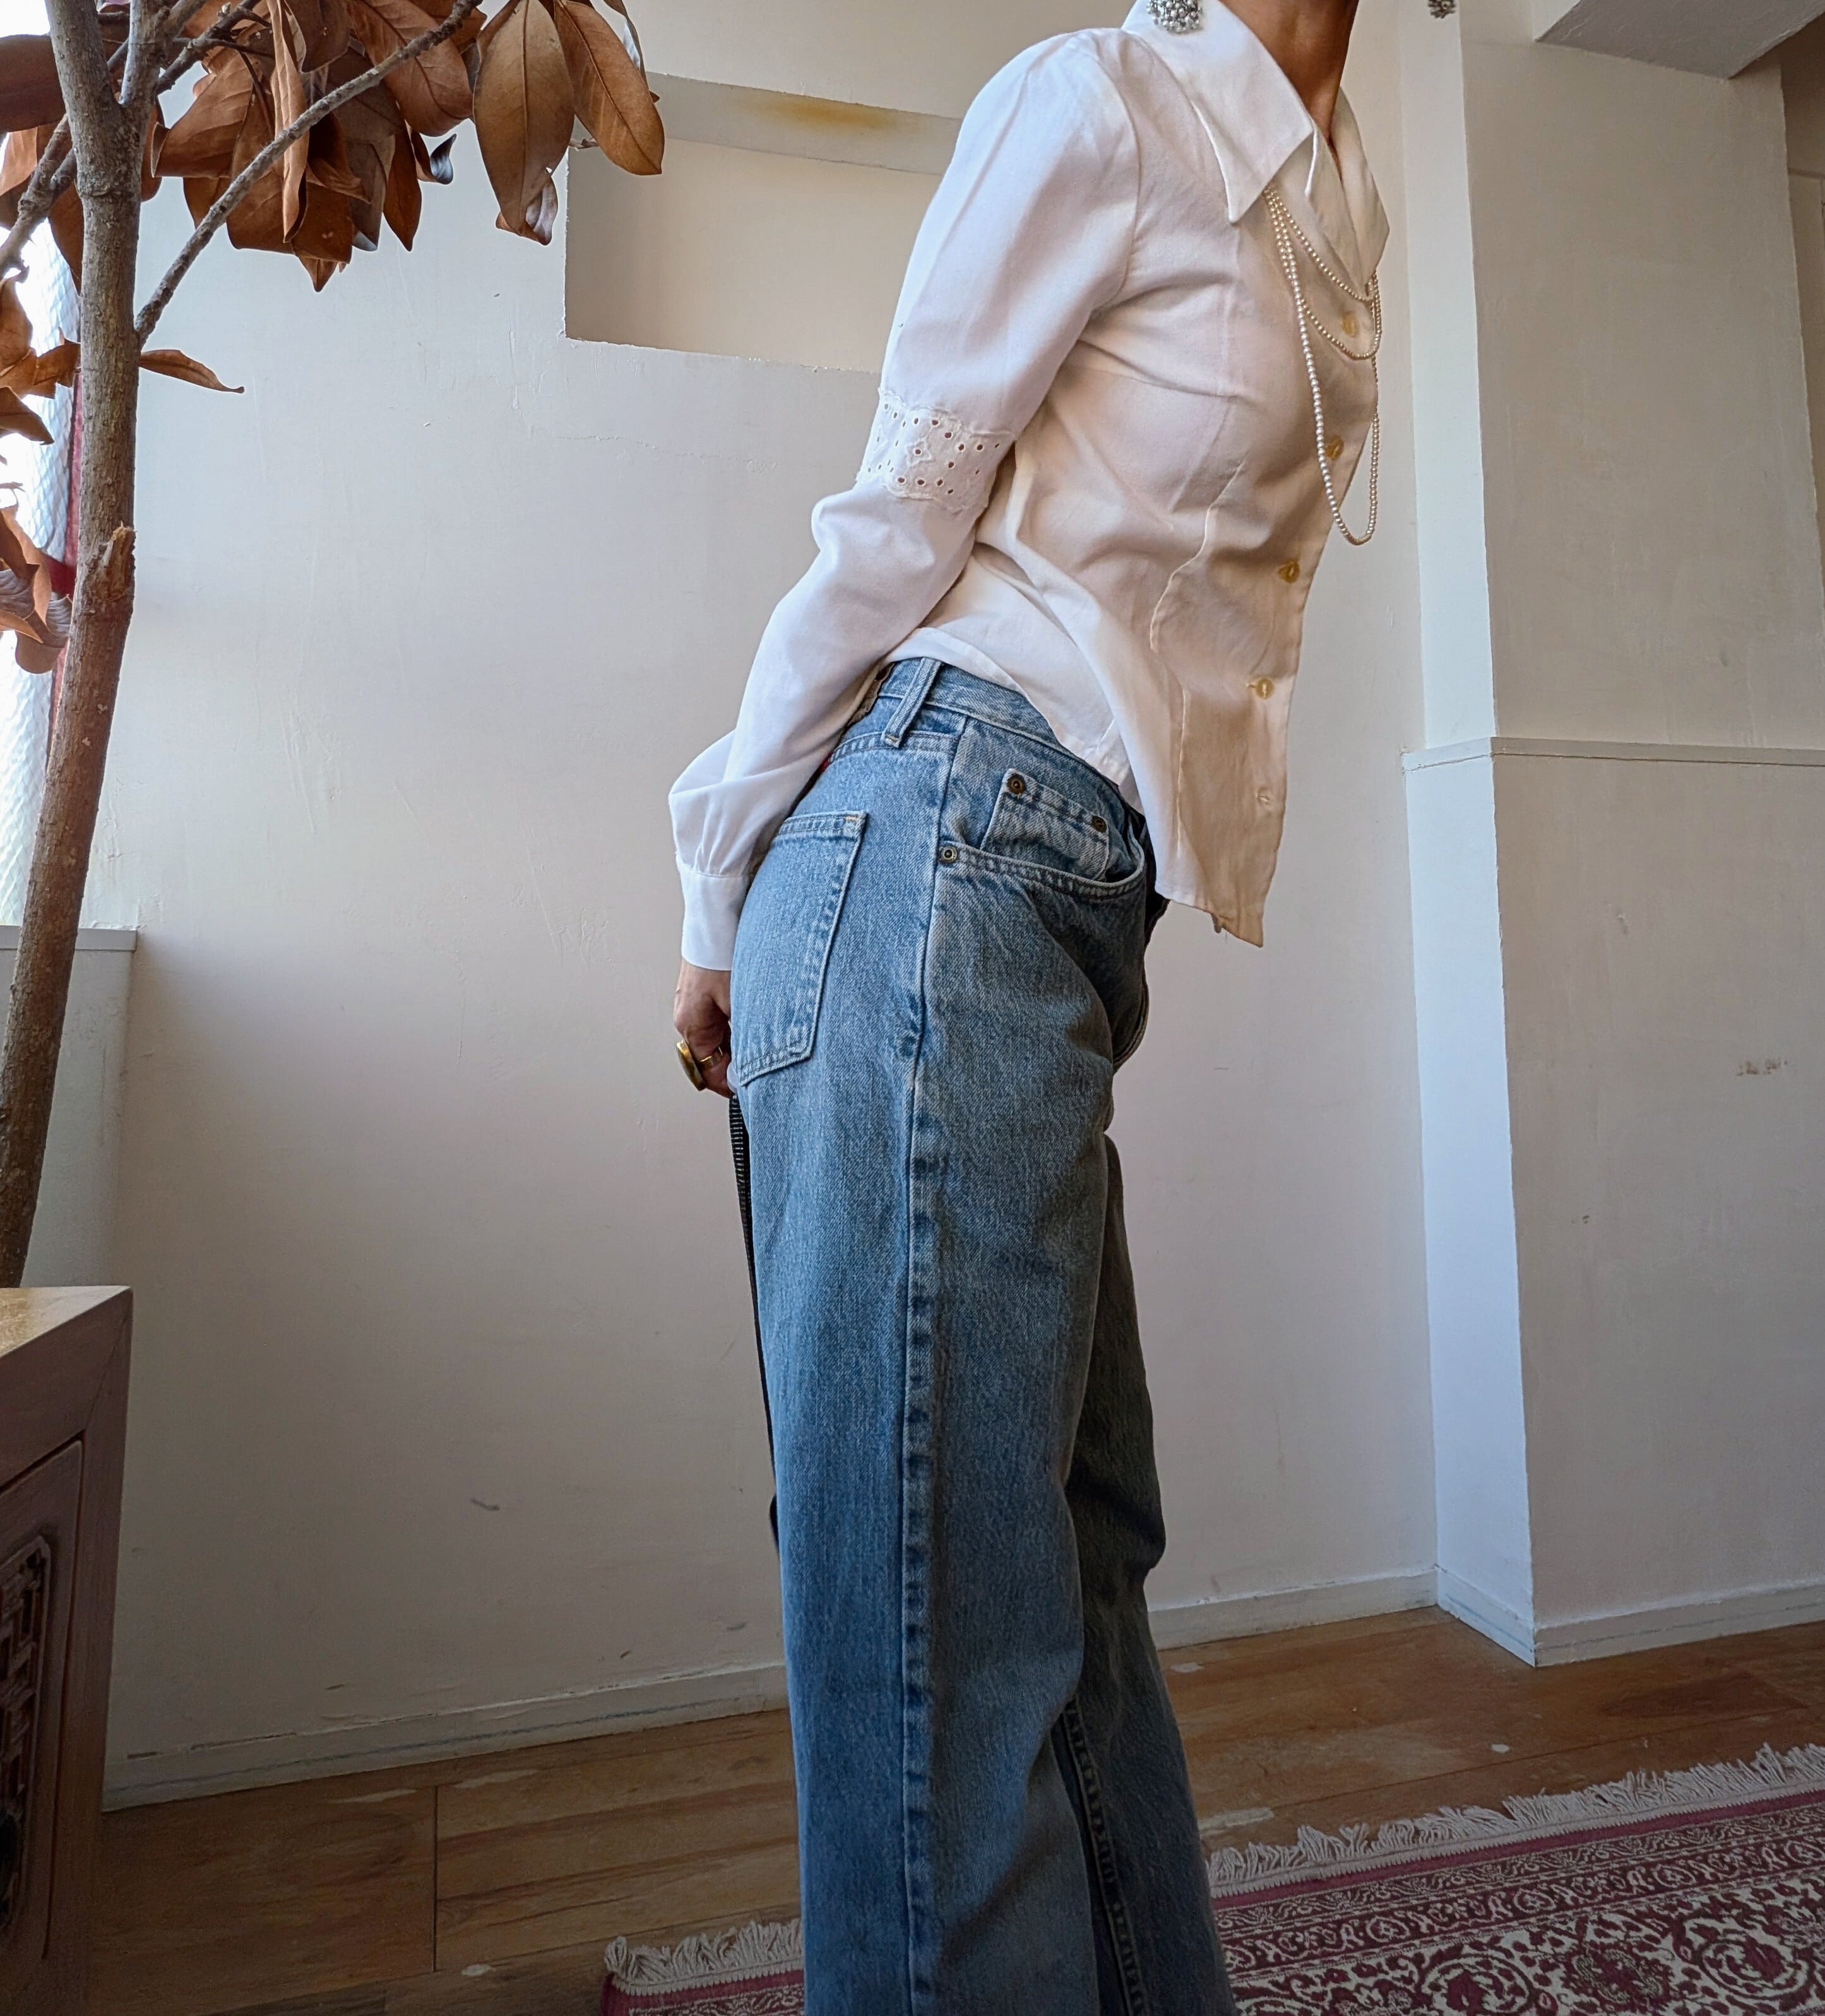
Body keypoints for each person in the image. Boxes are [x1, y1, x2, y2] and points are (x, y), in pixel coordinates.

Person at [670, 1, 1384, 2008]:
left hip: (1040, 900)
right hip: (930, 859)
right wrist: (718, 868)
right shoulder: (1096, 103)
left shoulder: (1333, 191)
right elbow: (899, 511)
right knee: (943, 1648)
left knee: (1070, 1577)